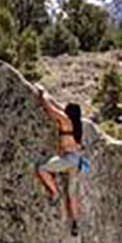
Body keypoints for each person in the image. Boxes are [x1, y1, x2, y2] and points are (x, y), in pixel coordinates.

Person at [33, 90, 89, 235]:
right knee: (72, 194)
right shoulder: (78, 126)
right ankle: (75, 222)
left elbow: (49, 109)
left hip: (68, 159)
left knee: (42, 169)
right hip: (76, 161)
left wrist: (42, 94)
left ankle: (55, 193)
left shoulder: (66, 121)